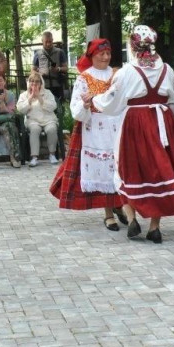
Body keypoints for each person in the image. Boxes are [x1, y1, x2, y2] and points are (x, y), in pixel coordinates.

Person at [93, 25, 174, 243]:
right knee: (160, 170)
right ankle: (154, 226)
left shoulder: (126, 72)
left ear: (133, 46)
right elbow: (173, 96)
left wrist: (95, 100)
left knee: (129, 168)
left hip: (136, 122)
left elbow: (112, 102)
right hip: (162, 121)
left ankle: (132, 218)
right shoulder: (167, 69)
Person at [50, 38, 126, 231]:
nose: (106, 57)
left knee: (119, 167)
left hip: (116, 126)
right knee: (103, 168)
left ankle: (119, 204)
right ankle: (108, 213)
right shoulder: (84, 77)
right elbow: (76, 106)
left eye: (108, 54)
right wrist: (84, 105)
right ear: (92, 56)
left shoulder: (117, 74)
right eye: (102, 54)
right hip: (94, 128)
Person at [17, 71, 59, 166]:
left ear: (41, 83)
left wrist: (40, 98)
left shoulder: (47, 93)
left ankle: (52, 154)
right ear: (29, 83)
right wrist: (30, 98)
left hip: (48, 119)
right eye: (32, 81)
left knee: (52, 129)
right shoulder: (24, 95)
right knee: (35, 130)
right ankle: (34, 157)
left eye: (37, 82)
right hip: (33, 120)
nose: (34, 84)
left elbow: (53, 106)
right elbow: (20, 109)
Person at [32, 31, 69, 102]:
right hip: (43, 86)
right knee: (44, 107)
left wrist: (58, 69)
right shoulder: (38, 54)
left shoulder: (60, 52)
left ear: (52, 40)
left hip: (57, 86)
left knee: (59, 108)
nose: (48, 44)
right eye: (46, 42)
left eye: (50, 41)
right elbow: (32, 70)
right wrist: (39, 74)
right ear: (42, 41)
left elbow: (66, 68)